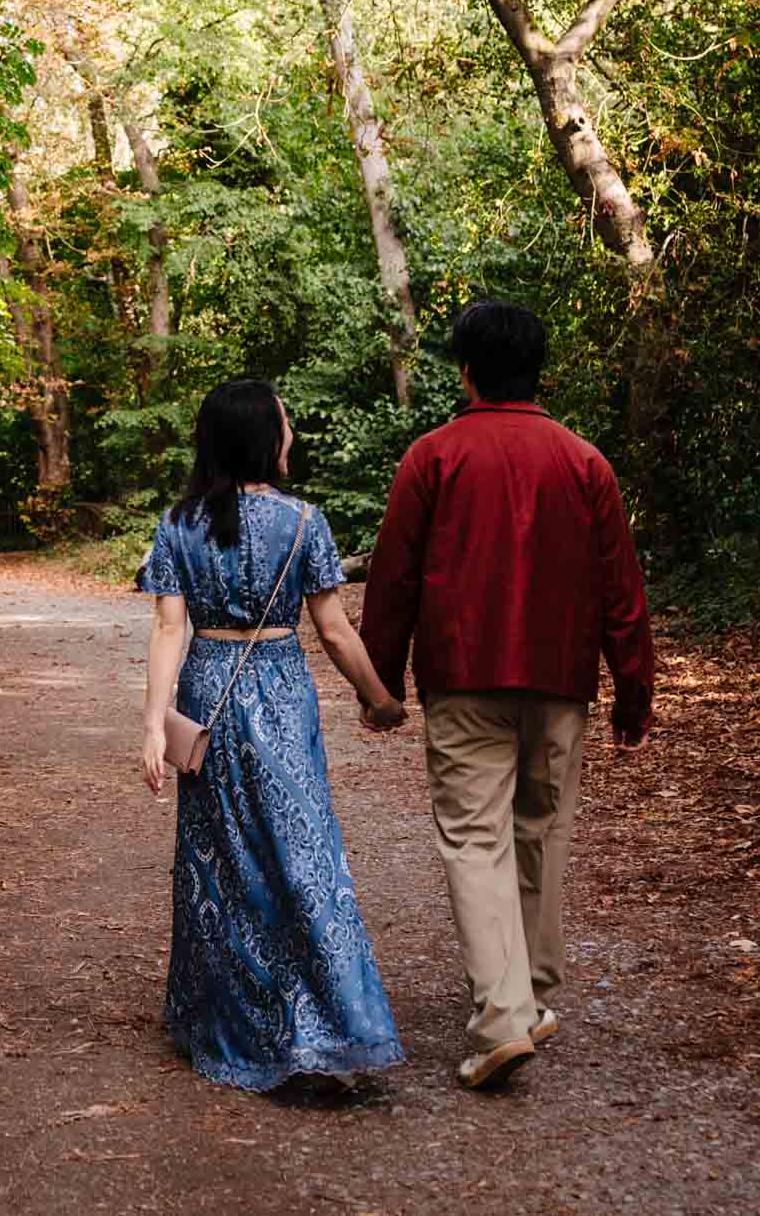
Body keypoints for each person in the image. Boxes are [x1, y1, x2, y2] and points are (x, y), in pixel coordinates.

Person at [358, 300, 658, 1092]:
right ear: (540, 370)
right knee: (541, 831)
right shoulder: (584, 462)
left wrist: (380, 681)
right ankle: (529, 999)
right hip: (559, 678)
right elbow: (622, 590)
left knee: (474, 838)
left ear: (465, 370)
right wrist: (634, 693)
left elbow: (393, 578)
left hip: (464, 677)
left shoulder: (433, 457)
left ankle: (501, 1019)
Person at [136, 378, 410, 1093]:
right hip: (282, 695)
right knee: (304, 855)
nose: (290, 436)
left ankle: (232, 1020)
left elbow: (170, 628)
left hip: (208, 694)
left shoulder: (179, 524)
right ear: (263, 438)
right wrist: (379, 697)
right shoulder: (304, 522)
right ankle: (330, 1023)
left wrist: (150, 724)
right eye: (283, 425)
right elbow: (334, 629)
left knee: (221, 864)